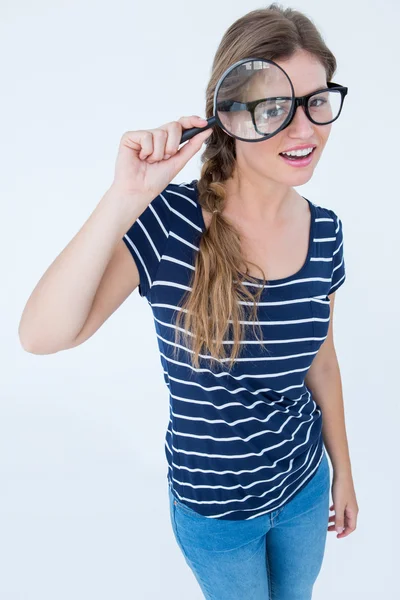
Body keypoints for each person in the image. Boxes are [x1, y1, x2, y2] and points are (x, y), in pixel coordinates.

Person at [18, 3, 359, 599]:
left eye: (317, 102)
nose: (305, 130)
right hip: (216, 515)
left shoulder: (325, 230)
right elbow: (41, 335)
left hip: (305, 488)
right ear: (229, 115)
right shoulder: (171, 223)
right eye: (276, 107)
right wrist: (125, 196)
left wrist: (344, 476)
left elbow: (321, 361)